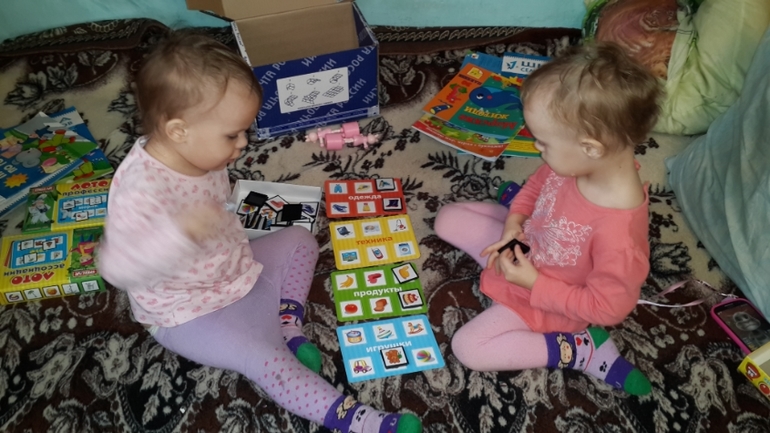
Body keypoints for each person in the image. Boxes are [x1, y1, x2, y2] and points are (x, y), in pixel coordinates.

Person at [97, 31, 421, 433]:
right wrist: (180, 233)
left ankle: (288, 326)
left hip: (235, 267)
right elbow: (115, 267)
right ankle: (361, 422)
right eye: (231, 135)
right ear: (179, 131)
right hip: (187, 313)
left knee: (301, 240)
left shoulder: (196, 149)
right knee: (266, 361)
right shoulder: (140, 190)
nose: (244, 144)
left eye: (243, 131)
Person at [434, 42, 662, 396]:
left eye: (543, 143)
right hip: (529, 246)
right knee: (447, 219)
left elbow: (608, 308)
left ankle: (580, 350)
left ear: (590, 147)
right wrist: (516, 220)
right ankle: (517, 213)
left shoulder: (619, 237)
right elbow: (538, 184)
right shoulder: (578, 164)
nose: (537, 149)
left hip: (547, 300)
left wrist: (533, 283)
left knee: (468, 347)